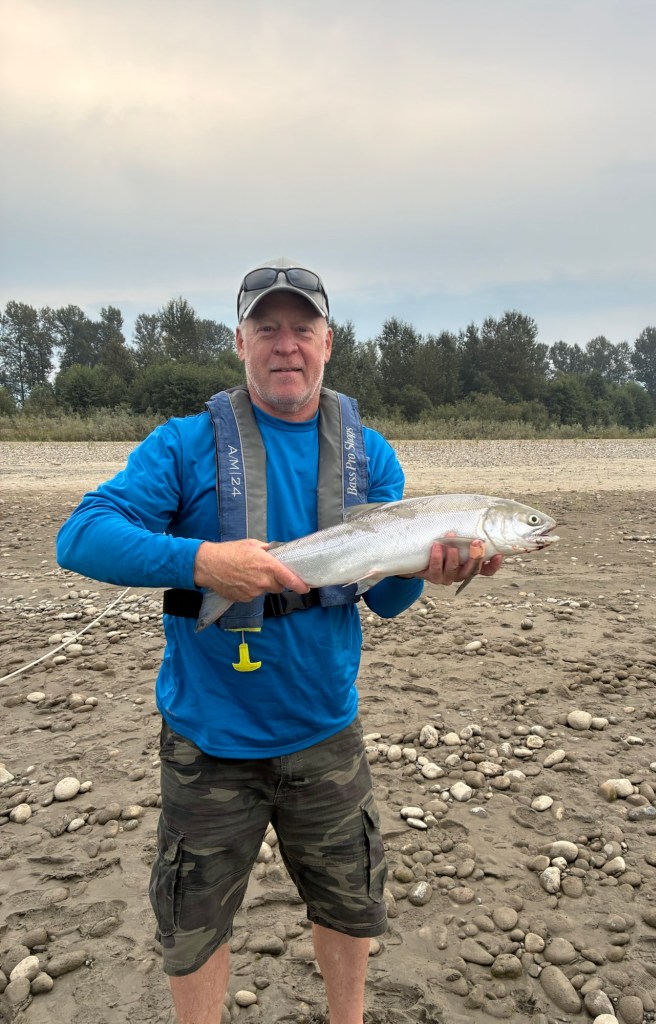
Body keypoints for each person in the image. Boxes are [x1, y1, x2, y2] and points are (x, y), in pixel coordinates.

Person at [56, 257, 502, 1024]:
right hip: (208, 739)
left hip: (326, 732)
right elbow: (81, 535)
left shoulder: (370, 454)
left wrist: (428, 572)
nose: (286, 344)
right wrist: (203, 563)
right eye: (267, 328)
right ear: (240, 342)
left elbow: (386, 600)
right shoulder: (183, 445)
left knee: (350, 906)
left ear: (329, 342)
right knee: (193, 924)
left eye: (302, 328)